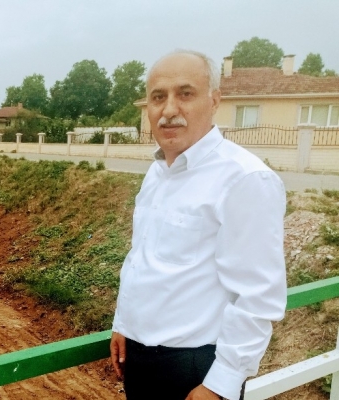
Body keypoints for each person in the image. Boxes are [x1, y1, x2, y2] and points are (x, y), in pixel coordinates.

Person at [109, 50, 287, 400]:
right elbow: (141, 260)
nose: (169, 109)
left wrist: (219, 385)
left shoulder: (244, 179)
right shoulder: (158, 172)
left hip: (196, 372)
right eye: (158, 97)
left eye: (185, 94)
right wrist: (124, 324)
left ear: (214, 100)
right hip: (141, 362)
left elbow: (257, 297)